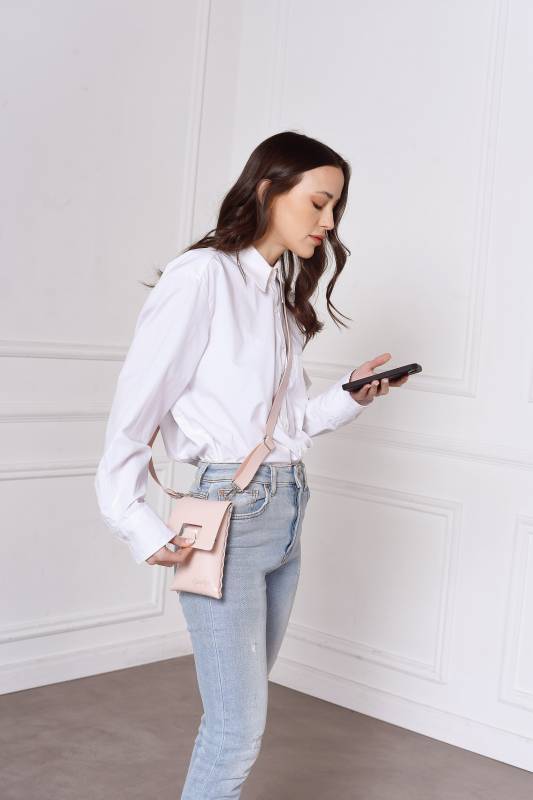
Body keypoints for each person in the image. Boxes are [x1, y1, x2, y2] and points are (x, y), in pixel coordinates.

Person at [94, 130, 410, 799]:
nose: (329, 222)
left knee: (238, 714)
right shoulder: (201, 277)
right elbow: (133, 410)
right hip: (228, 519)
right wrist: (135, 520)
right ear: (268, 189)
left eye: (336, 208)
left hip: (286, 511)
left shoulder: (275, 294)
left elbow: (284, 429)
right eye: (318, 202)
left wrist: (347, 396)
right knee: (236, 729)